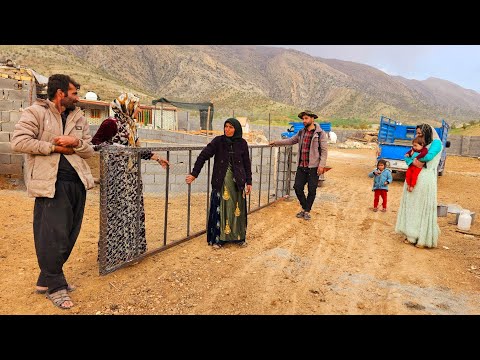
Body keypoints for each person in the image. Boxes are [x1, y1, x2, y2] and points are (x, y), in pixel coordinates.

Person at [11, 74, 95, 309]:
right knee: (52, 236)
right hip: (50, 184)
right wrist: (54, 147)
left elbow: (89, 150)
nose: (77, 98)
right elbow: (19, 142)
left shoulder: (79, 117)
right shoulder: (35, 113)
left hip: (77, 183)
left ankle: (44, 280)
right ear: (60, 94)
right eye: (74, 93)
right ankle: (56, 287)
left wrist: (75, 142)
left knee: (69, 234)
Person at [92, 93, 169, 267]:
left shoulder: (131, 125)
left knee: (132, 212)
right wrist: (117, 149)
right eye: (138, 106)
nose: (139, 110)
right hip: (116, 177)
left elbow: (135, 149)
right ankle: (113, 256)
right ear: (127, 106)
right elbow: (95, 143)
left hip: (131, 177)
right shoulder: (111, 123)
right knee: (117, 214)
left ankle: (130, 252)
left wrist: (156, 157)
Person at [185, 118, 252, 249]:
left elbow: (246, 163)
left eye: (231, 127)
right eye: (226, 126)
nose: (227, 129)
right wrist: (194, 174)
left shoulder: (242, 143)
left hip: (238, 183)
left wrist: (249, 181)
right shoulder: (218, 141)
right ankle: (220, 238)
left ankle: (238, 237)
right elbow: (203, 156)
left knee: (236, 209)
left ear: (236, 129)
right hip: (221, 182)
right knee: (223, 208)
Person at [269, 110, 328, 220]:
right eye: (303, 119)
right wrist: (276, 142)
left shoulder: (320, 133)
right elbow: (291, 141)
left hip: (313, 167)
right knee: (297, 187)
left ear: (312, 119)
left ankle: (306, 211)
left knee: (312, 190)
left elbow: (324, 151)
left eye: (306, 118)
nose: (304, 121)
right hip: (301, 166)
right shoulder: (301, 132)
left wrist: (322, 165)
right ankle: (305, 208)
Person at [395, 123, 443, 249]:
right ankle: (411, 234)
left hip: (425, 178)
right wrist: (412, 161)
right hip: (415, 177)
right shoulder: (422, 144)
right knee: (412, 205)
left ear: (427, 132)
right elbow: (411, 160)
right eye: (417, 133)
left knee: (420, 207)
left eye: (420, 133)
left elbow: (428, 157)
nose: (418, 135)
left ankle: (419, 237)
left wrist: (415, 161)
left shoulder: (436, 143)